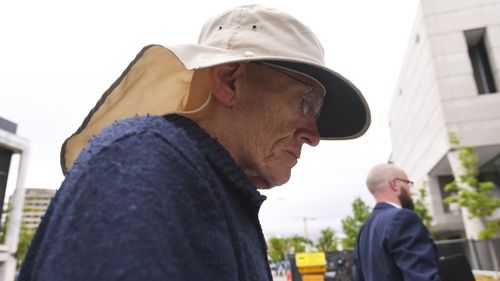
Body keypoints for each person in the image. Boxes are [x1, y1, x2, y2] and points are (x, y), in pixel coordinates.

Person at [19, 5, 370, 281]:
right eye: (305, 103)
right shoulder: (143, 161)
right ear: (230, 81)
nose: (313, 135)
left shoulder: (210, 189)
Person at [353, 163, 441, 281]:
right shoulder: (403, 219)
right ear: (394, 184)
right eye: (407, 183)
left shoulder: (364, 230)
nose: (411, 192)